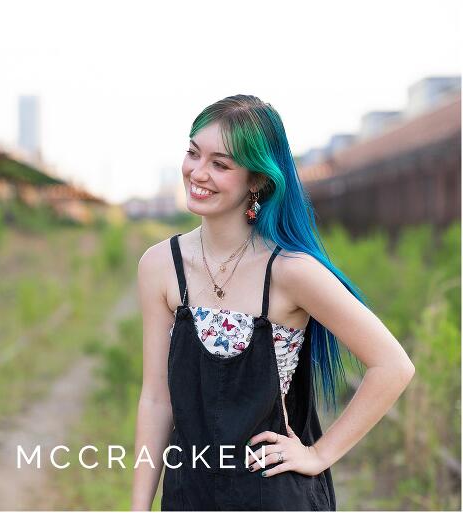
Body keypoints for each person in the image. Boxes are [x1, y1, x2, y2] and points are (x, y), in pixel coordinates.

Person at [130, 94, 415, 511]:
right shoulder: (160, 265)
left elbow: (393, 366)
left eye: (221, 164)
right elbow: (157, 399)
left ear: (258, 181)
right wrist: (139, 506)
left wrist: (319, 454)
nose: (198, 172)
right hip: (189, 494)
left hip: (272, 496)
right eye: (194, 153)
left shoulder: (291, 271)